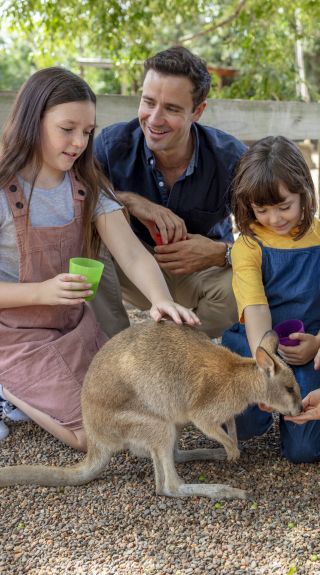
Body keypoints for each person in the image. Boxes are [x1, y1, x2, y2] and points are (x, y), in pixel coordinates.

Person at [0, 67, 199, 446]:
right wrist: (41, 293)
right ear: (33, 120)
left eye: (87, 132)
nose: (78, 142)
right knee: (93, 436)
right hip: (14, 335)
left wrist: (161, 301)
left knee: (141, 408)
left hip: (74, 326)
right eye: (67, 129)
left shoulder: (86, 185)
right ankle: (7, 388)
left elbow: (132, 253)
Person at [92, 46, 247, 339]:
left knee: (244, 283)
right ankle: (116, 347)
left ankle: (174, 345)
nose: (154, 119)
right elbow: (77, 196)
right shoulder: (111, 146)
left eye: (172, 109)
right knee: (86, 240)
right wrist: (130, 202)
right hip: (135, 267)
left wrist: (219, 253)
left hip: (203, 274)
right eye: (148, 102)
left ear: (197, 112)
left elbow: (269, 238)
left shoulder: (232, 159)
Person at [221, 135, 320, 463]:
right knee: (245, 424)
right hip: (259, 349)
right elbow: (257, 310)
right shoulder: (248, 246)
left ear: (304, 192)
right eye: (261, 210)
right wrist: (267, 369)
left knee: (304, 450)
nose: (274, 219)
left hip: (307, 346)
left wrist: (317, 343)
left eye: (284, 206)